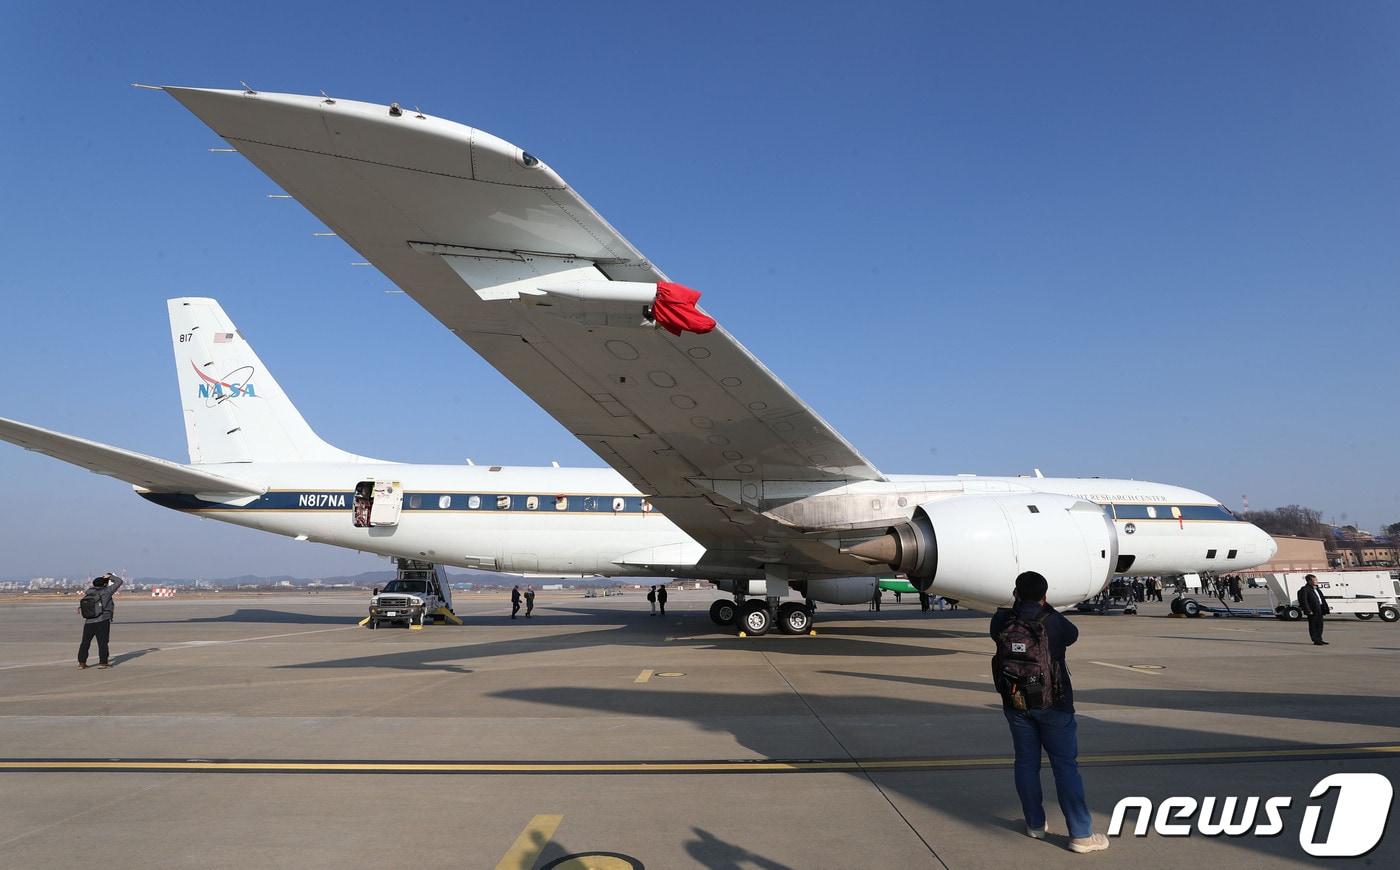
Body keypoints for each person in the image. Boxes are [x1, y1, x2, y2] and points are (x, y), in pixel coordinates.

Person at [990, 571, 1108, 853]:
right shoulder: (1053, 621)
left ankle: (1034, 824)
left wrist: (1016, 607)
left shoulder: (1003, 620)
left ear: (1016, 593)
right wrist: (1046, 607)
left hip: (1017, 701)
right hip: (1053, 702)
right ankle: (1080, 834)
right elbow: (1072, 635)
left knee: (1026, 763)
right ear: (1044, 595)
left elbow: (995, 634)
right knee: (1065, 766)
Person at [78, 573, 124, 669]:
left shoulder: (89, 592)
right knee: (103, 642)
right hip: (102, 620)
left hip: (89, 621)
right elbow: (119, 581)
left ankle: (81, 663)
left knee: (85, 642)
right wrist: (110, 576)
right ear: (104, 584)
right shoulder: (106, 591)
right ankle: (103, 663)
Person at [1298, 574, 1330, 646]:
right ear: (1309, 581)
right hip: (1312, 610)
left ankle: (1319, 639)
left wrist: (1325, 608)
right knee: (1313, 625)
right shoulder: (1305, 589)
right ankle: (1315, 640)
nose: (1316, 581)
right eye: (1314, 580)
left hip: (1320, 608)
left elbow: (1321, 598)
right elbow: (1304, 601)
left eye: (1316, 580)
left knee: (1320, 625)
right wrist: (1308, 610)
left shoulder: (1316, 588)